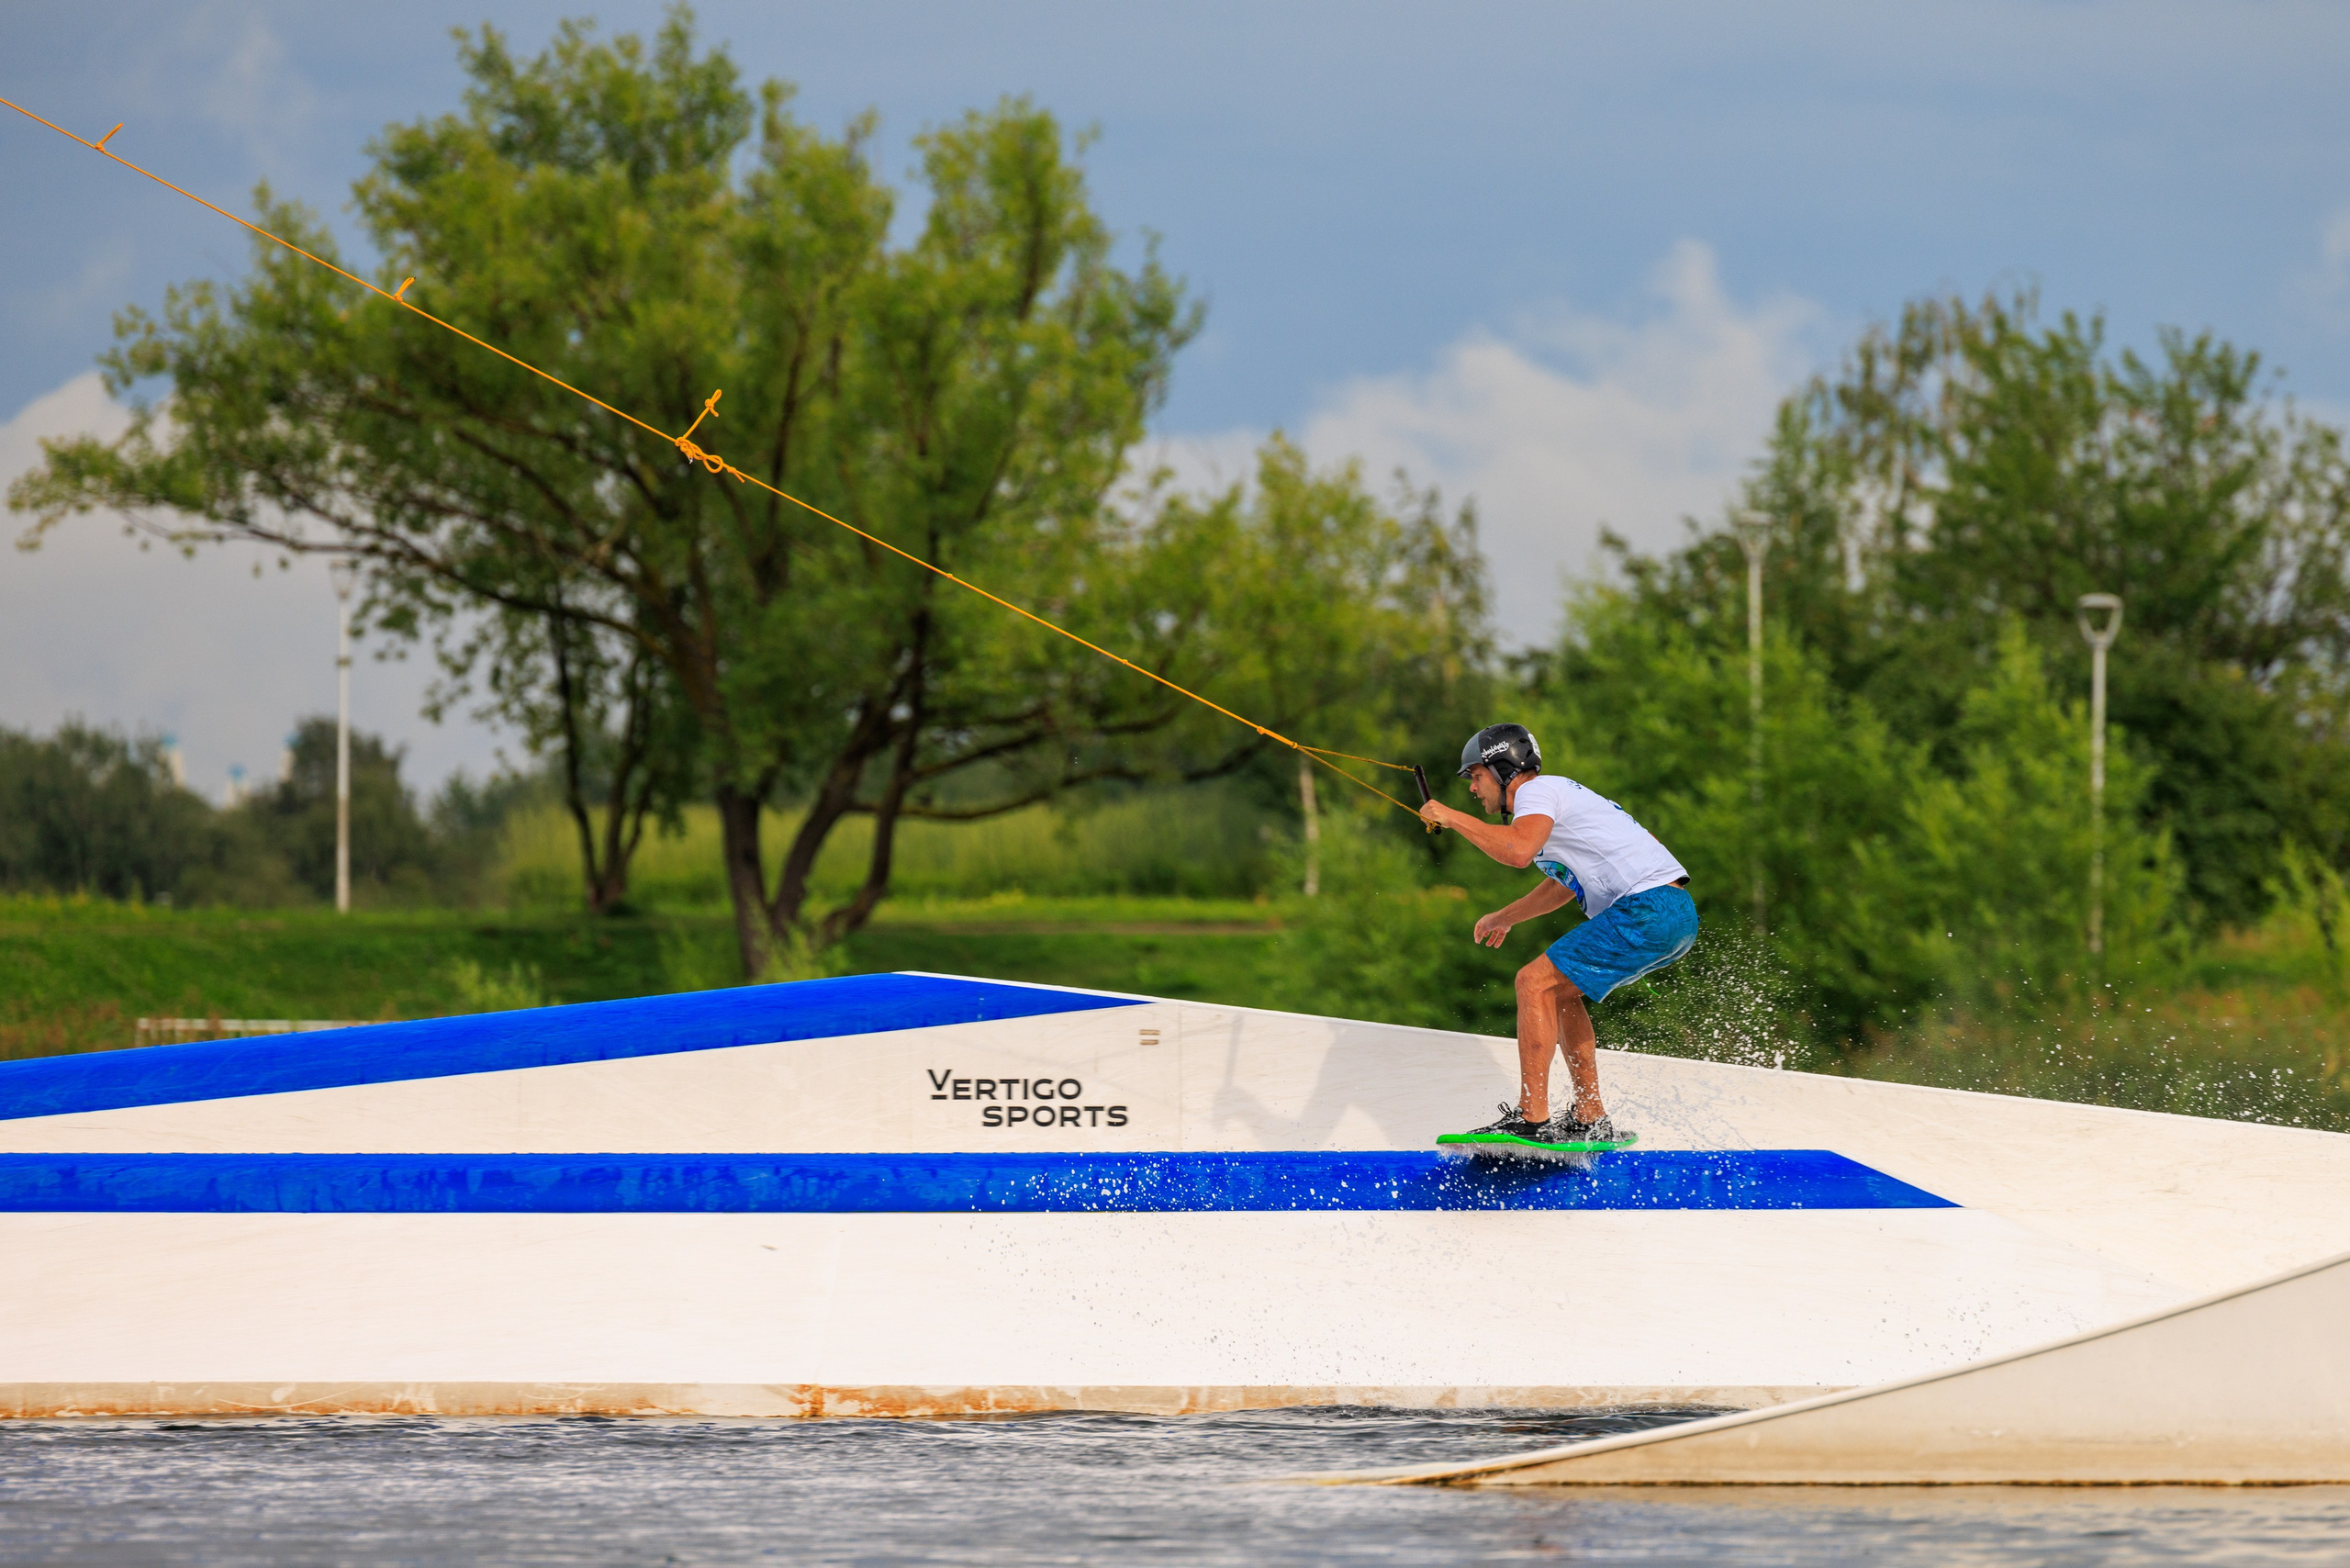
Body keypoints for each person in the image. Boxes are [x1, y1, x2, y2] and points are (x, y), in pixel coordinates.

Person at [1417, 723, 1698, 1144]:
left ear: (1502, 769)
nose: (1473, 790)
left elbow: (1516, 851)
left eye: (1475, 776)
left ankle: (1531, 1118)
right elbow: (1563, 884)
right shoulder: (1556, 803)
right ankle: (1590, 1116)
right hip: (1675, 914)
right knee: (1560, 993)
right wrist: (1506, 916)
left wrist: (1453, 818)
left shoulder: (1536, 792)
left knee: (1532, 982)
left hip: (1647, 908)